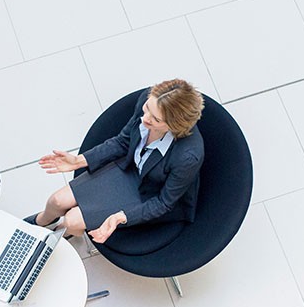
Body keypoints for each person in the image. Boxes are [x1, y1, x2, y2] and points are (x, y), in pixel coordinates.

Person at [26, 79, 205, 244]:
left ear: (174, 127)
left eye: (156, 119)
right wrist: (78, 161)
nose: (145, 119)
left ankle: (54, 237)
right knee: (57, 201)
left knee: (72, 221)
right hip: (129, 168)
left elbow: (164, 203)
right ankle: (41, 222)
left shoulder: (187, 156)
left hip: (150, 193)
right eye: (147, 107)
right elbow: (123, 141)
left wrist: (121, 217)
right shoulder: (149, 102)